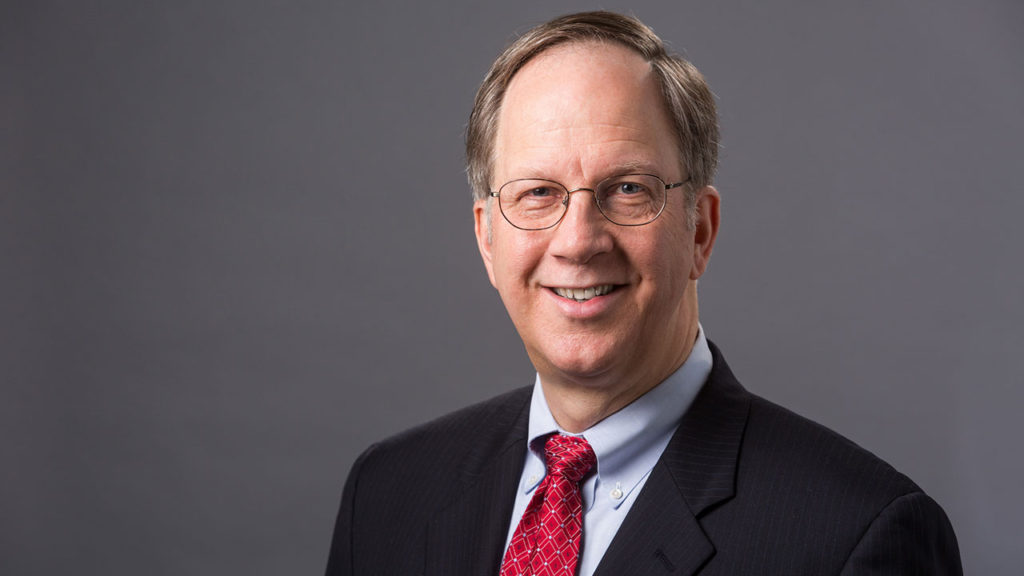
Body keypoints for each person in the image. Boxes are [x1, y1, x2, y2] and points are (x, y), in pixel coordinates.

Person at [325, 11, 962, 576]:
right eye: (537, 193)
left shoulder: (858, 535)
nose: (578, 241)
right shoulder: (386, 494)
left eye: (628, 189)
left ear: (700, 232)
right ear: (487, 239)